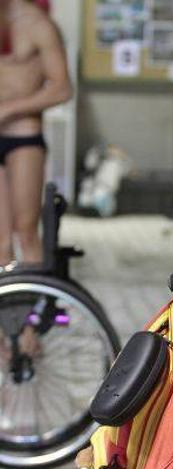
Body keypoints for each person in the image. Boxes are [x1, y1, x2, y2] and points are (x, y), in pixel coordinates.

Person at [0, 0, 71, 359]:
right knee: (0, 244)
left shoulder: (35, 23)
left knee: (26, 230)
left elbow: (62, 88)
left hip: (22, 136)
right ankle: (5, 335)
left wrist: (10, 108)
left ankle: (32, 326)